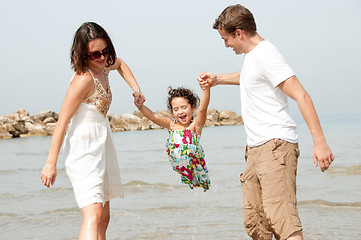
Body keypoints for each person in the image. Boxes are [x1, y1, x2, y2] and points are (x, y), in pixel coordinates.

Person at [197, 4, 334, 240]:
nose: (226, 45)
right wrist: (218, 79)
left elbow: (301, 95)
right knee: (257, 223)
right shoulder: (254, 57)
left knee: (284, 221)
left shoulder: (267, 54)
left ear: (239, 33)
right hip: (256, 150)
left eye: (226, 39)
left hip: (276, 146)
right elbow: (251, 77)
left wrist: (320, 143)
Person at [40, 22, 143, 240]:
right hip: (83, 149)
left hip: (102, 146)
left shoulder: (105, 67)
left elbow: (121, 64)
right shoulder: (83, 79)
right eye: (95, 54)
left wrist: (136, 91)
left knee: (104, 218)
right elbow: (62, 122)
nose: (102, 57)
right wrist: (51, 163)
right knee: (93, 213)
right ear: (83, 54)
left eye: (105, 51)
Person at [133, 86, 211, 191]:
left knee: (199, 179)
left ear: (192, 107)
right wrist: (140, 107)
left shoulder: (195, 126)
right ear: (172, 112)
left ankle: (198, 180)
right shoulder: (171, 124)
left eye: (184, 107)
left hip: (191, 161)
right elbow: (152, 116)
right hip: (178, 164)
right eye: (176, 109)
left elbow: (203, 109)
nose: (180, 112)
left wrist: (206, 88)